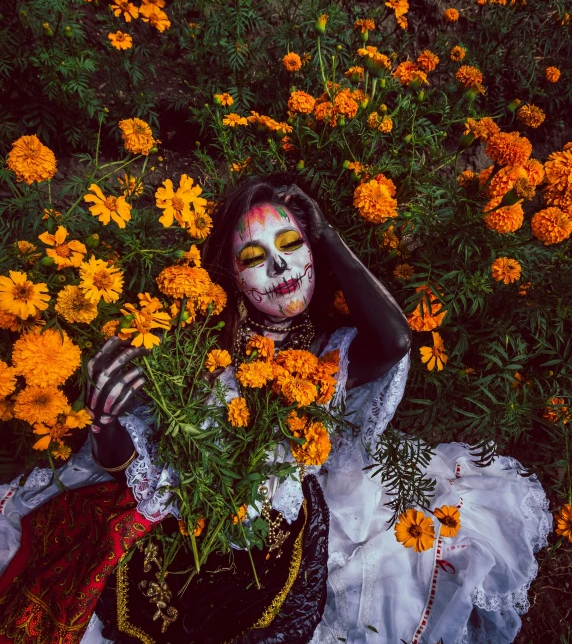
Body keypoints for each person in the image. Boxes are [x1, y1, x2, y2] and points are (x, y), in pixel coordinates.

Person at [0, 177, 550, 644]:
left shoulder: (329, 353)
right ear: (232, 275)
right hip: (186, 507)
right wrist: (103, 419)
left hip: (279, 519)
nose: (280, 264)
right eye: (254, 256)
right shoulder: (197, 343)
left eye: (291, 243)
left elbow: (396, 342)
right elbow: (134, 461)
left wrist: (327, 232)